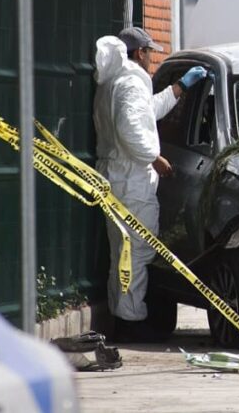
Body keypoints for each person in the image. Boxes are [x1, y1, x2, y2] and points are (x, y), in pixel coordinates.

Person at [93, 27, 207, 340]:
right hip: (131, 178)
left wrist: (179, 88)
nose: (151, 57)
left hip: (118, 175)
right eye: (149, 52)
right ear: (139, 52)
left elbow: (145, 113)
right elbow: (131, 129)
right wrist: (154, 157)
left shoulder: (117, 80)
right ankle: (132, 324)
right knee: (137, 252)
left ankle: (122, 318)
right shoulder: (130, 82)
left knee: (123, 251)